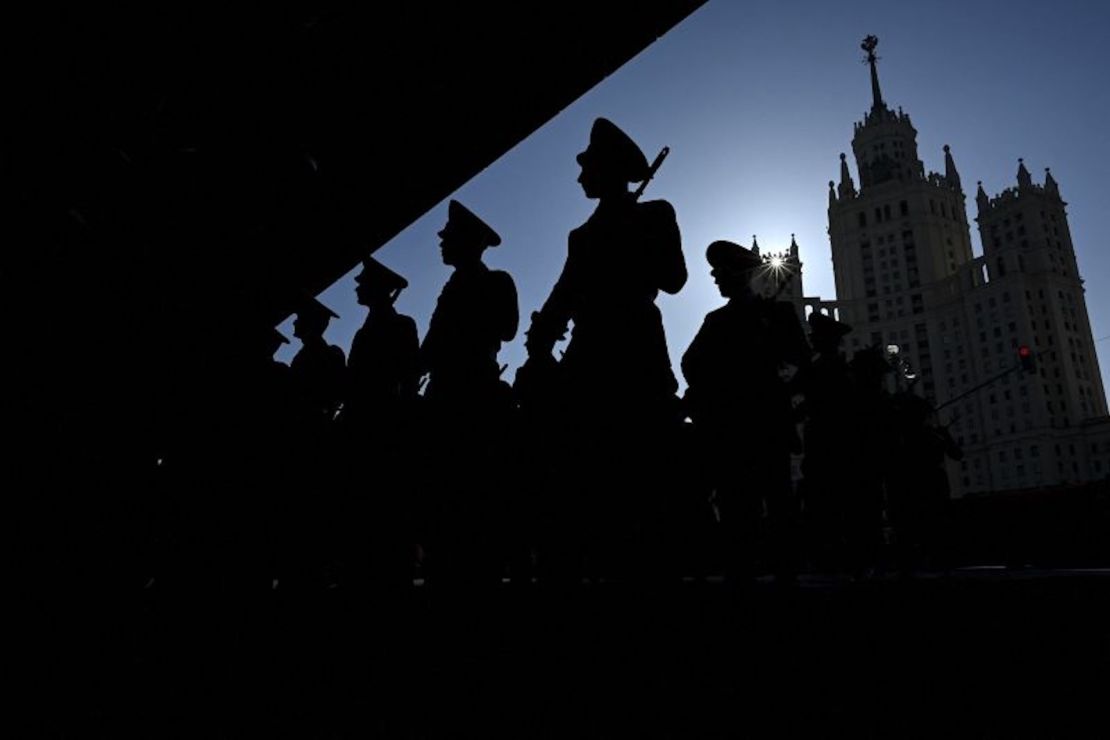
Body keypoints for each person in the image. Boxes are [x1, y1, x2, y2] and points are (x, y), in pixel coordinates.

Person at [522, 117, 687, 583]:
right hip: (587, 362)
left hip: (636, 353)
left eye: (587, 168)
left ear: (608, 169)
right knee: (588, 479)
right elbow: (561, 298)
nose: (579, 177)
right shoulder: (582, 236)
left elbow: (674, 280)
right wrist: (540, 341)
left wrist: (632, 237)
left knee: (645, 476)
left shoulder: (654, 214)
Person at [681, 240, 809, 584]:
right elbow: (691, 366)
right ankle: (750, 574)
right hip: (734, 429)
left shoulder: (775, 316)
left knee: (774, 502)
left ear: (738, 276)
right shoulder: (719, 319)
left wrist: (778, 395)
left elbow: (803, 365)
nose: (715, 281)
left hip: (758, 427)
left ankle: (780, 573)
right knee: (741, 507)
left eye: (720, 275)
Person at [419, 200, 519, 586]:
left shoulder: (495, 281)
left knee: (474, 501)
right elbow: (428, 351)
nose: (442, 239)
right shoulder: (451, 288)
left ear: (469, 241)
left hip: (473, 397)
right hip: (443, 399)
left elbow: (507, 328)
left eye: (449, 234)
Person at [290, 295, 346, 421]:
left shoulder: (330, 353)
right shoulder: (304, 355)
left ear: (311, 323)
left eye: (299, 318)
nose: (294, 322)